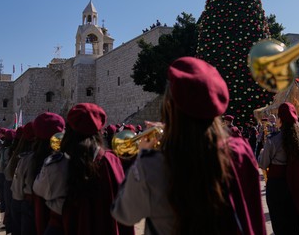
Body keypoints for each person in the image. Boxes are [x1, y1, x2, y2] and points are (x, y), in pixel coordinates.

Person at [111, 56, 266, 235]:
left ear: (170, 106)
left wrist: (143, 156)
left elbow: (124, 214)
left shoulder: (152, 163)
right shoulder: (239, 151)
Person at [32, 103, 134, 235]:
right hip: (103, 227)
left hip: (63, 228)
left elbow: (39, 190)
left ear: (68, 129)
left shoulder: (56, 163)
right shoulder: (111, 161)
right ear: (99, 130)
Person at [258, 102, 299, 235]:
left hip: (277, 186)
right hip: (296, 185)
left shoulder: (273, 140)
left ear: (281, 119)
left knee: (280, 223)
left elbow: (263, 164)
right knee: (294, 224)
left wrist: (261, 154)